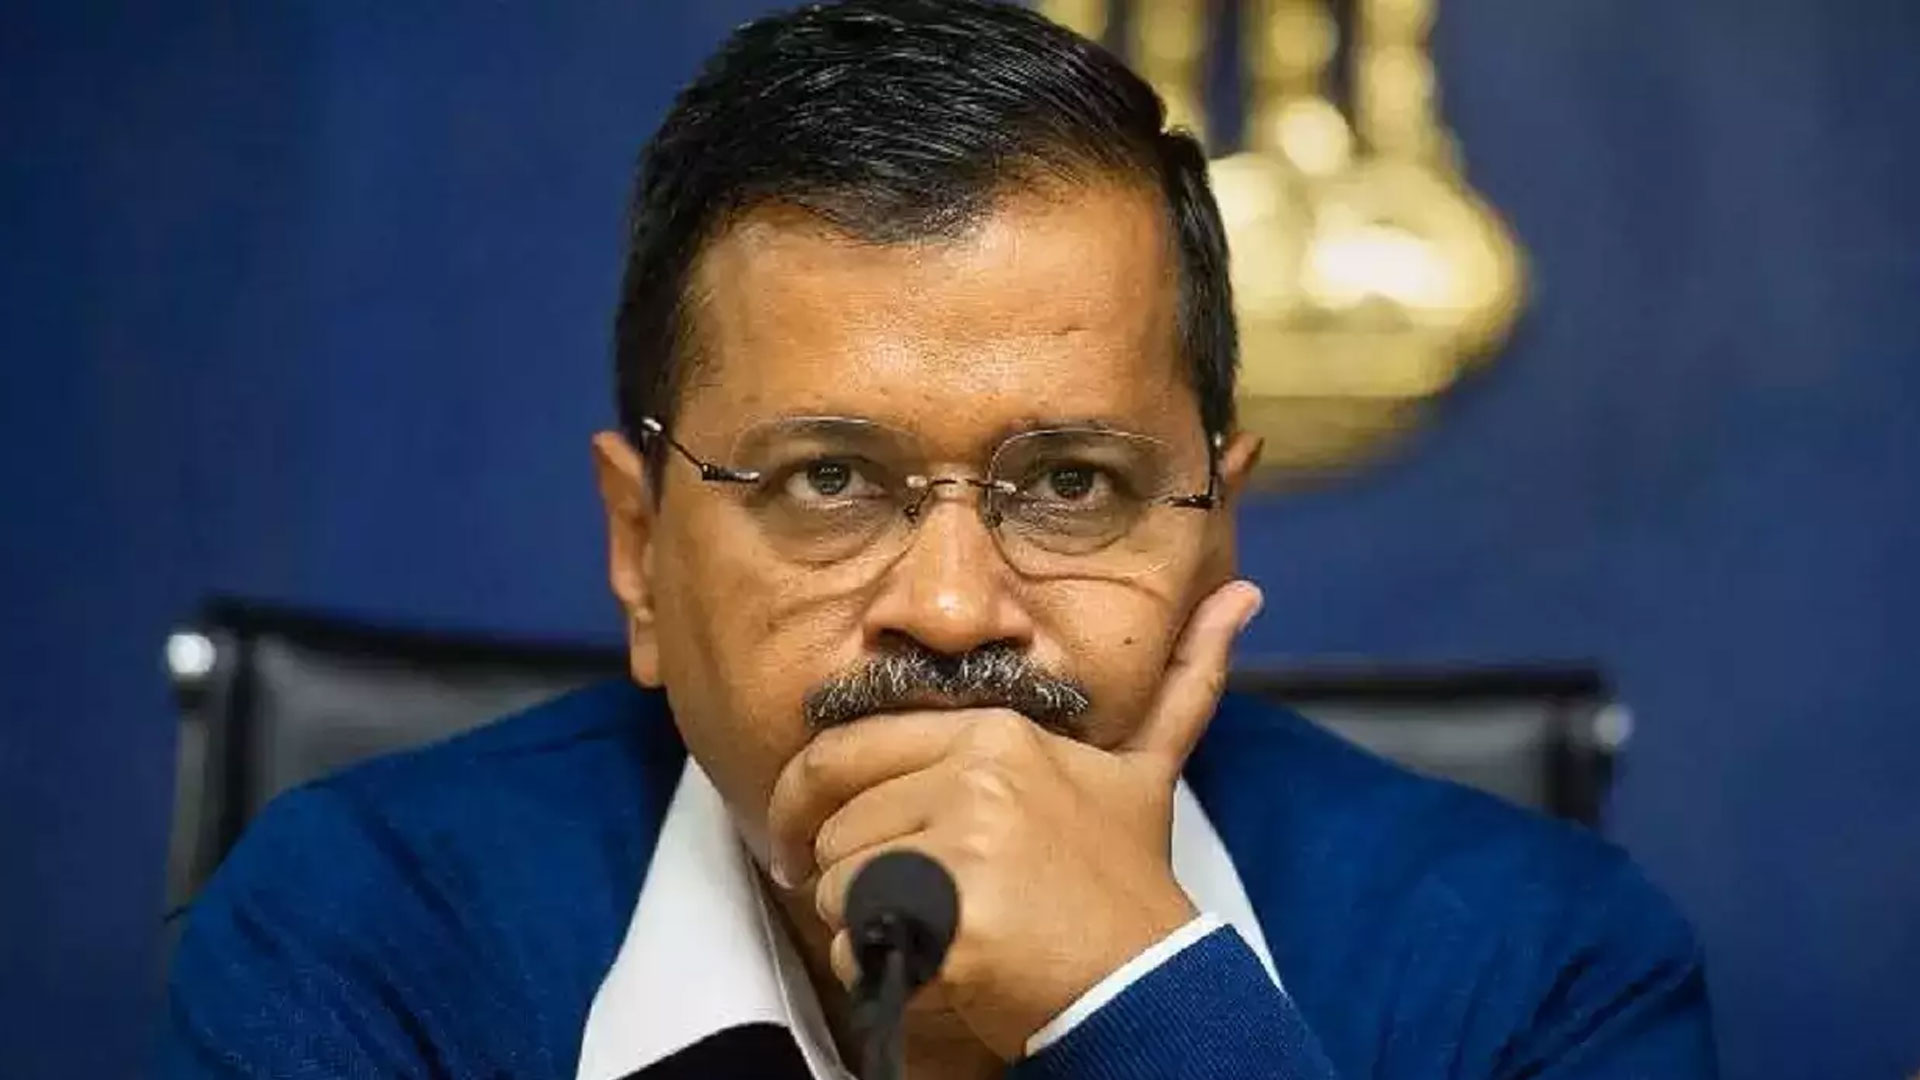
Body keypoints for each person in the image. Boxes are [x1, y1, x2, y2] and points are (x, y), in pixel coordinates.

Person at [158, 1, 1717, 1077]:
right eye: (831, 479)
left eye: (1072, 484)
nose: (957, 609)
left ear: (1213, 524)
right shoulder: (362, 934)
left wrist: (1147, 1003)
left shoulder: (1539, 971)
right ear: (639, 552)